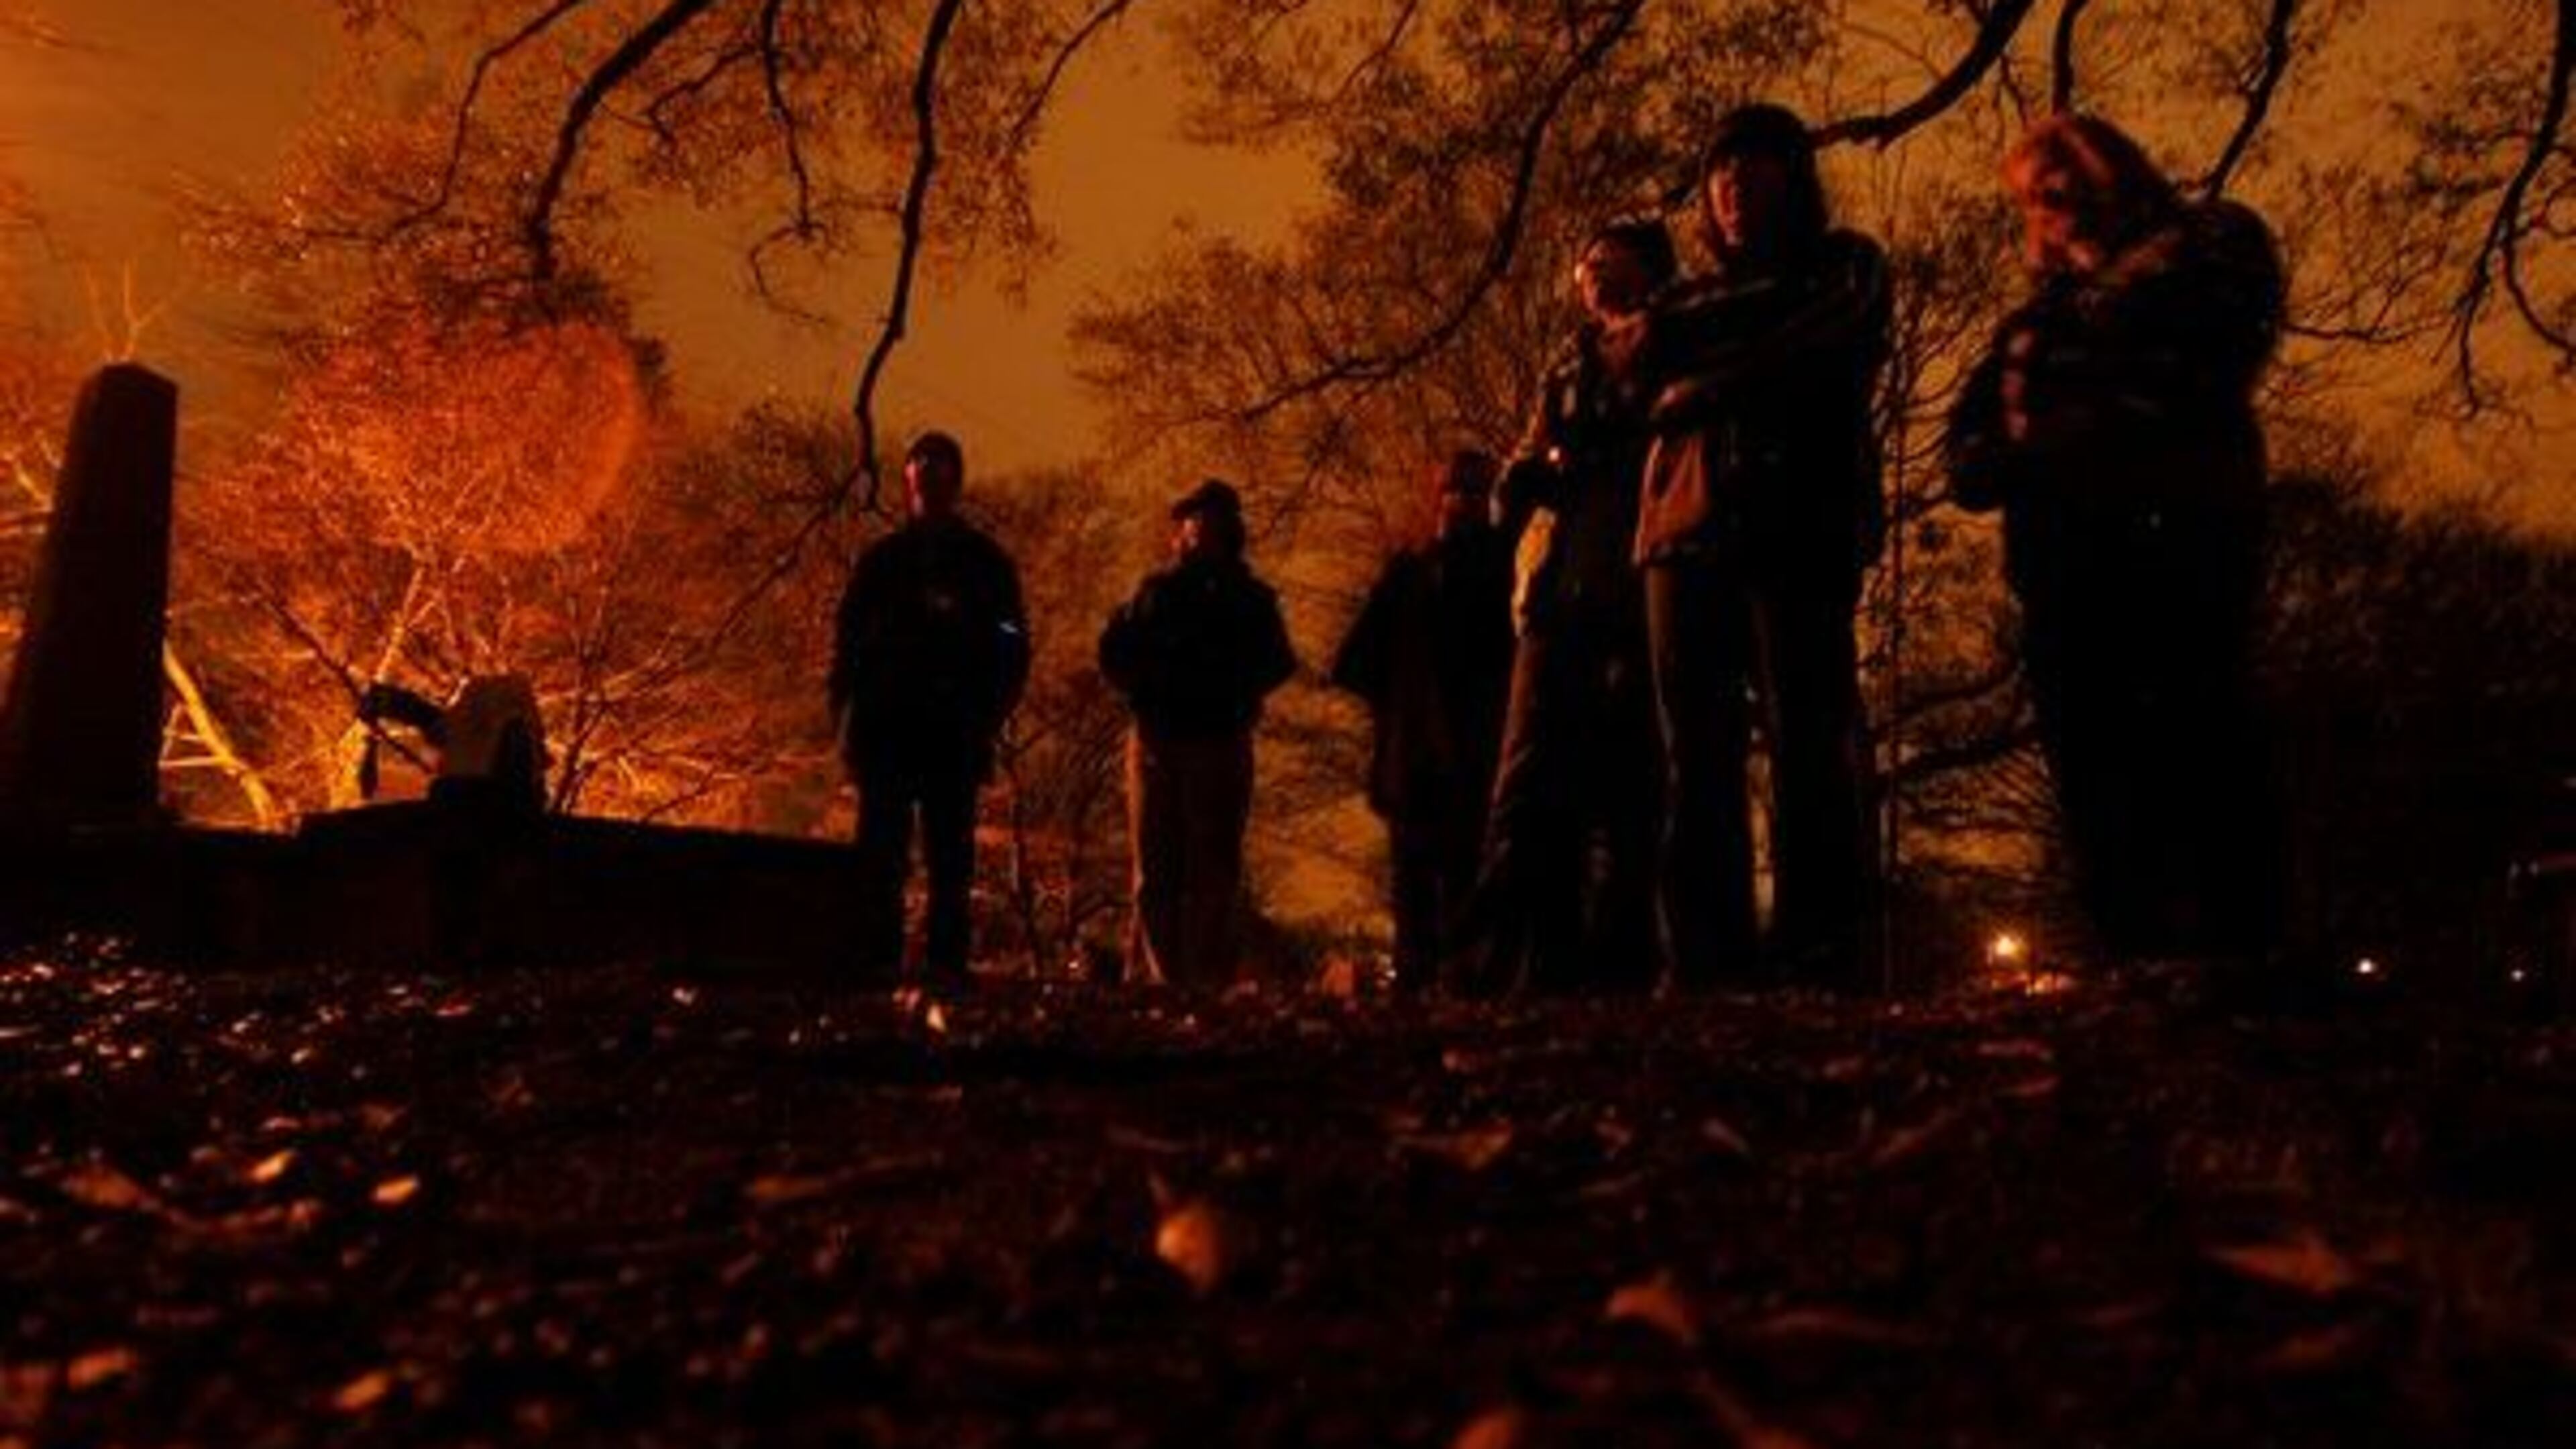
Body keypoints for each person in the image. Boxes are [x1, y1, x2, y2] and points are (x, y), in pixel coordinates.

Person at [1944, 113, 2286, 966]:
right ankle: (2138, 953)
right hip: (2063, 559)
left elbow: (2203, 356)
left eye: (2061, 181)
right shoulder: (2032, 322)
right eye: (2031, 196)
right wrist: (2014, 452)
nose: (2049, 204)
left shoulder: (2210, 240)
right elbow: (1970, 438)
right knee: (2091, 756)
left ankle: (2241, 948)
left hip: (2181, 529)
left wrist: (2070, 425)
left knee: (2199, 728)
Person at [1638, 103, 1892, 992]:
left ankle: (1819, 953)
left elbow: (1834, 330)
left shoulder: (1848, 263)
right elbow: (1632, 367)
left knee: (1808, 739)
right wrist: (1737, 361)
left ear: (1795, 179)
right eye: (1720, 172)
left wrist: (1696, 386)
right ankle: (1707, 961)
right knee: (1695, 754)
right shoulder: (1677, 299)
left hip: (1802, 524)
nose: (1733, 184)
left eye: (1755, 167)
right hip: (1686, 534)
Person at [1466, 218, 1672, 996]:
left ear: (1649, 267)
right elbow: (1526, 461)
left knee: (1634, 790)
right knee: (1527, 787)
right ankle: (1512, 967)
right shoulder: (1565, 366)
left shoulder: (1676, 343)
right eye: (1582, 261)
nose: (1589, 271)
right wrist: (1519, 486)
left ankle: (1623, 965)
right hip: (1556, 594)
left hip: (1643, 585)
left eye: (1606, 257)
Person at [829, 431, 1030, 985]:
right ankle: (876, 965)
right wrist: (843, 717)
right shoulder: (883, 562)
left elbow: (1013, 646)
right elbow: (848, 641)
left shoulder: (985, 564)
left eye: (940, 465)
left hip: (951, 735)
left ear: (956, 480)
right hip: (887, 733)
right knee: (880, 860)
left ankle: (945, 970)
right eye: (921, 463)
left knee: (948, 864)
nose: (929, 474)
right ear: (909, 478)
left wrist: (987, 714)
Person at [1330, 450, 1517, 994]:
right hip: (1427, 752)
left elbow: (1357, 663)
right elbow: (1357, 660)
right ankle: (1432, 976)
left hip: (1462, 749)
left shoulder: (1480, 573)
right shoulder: (1412, 575)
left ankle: (1450, 976)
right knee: (1422, 876)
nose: (1462, 503)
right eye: (1456, 492)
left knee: (1453, 871)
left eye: (1473, 493)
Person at [1098, 480, 1297, 986]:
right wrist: (1147, 693)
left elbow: (1278, 662)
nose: (1201, 526)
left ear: (1232, 529)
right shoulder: (1154, 593)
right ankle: (1160, 978)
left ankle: (1203, 980)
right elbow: (1113, 653)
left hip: (1220, 742)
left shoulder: (1252, 600)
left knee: (1213, 870)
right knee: (1155, 869)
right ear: (1179, 530)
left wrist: (1232, 692)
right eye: (1193, 517)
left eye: (1212, 517)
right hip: (1158, 742)